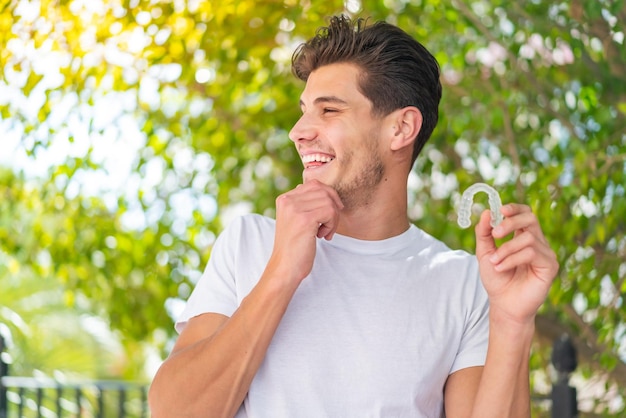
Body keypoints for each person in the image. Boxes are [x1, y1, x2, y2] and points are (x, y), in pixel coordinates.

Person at [148, 15, 559, 418]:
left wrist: (512, 320)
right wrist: (281, 272)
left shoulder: (463, 283)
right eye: (305, 110)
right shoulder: (250, 243)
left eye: (329, 111)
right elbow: (174, 411)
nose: (299, 131)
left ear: (401, 129)